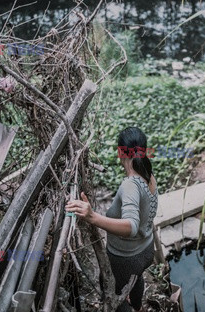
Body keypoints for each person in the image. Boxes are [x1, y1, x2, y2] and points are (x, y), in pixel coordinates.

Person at [66, 127, 158, 312]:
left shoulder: (130, 186)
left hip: (127, 258)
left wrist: (92, 216)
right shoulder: (149, 174)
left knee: (115, 294)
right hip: (146, 249)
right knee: (135, 277)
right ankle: (138, 307)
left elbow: (131, 226)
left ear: (120, 152)